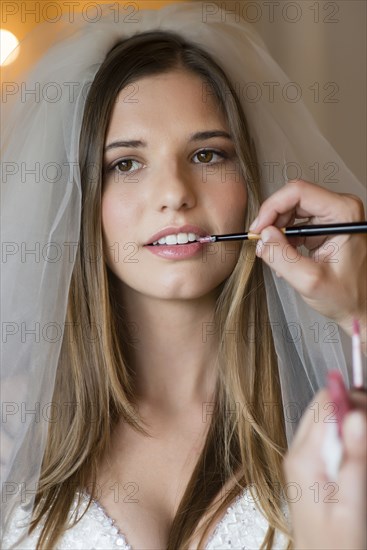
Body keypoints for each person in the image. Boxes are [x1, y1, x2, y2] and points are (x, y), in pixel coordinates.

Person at [1, 2, 366, 549]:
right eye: (125, 163)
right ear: (79, 203)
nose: (174, 193)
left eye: (207, 154)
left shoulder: (330, 415)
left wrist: (356, 311)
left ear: (252, 184)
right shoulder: (14, 428)